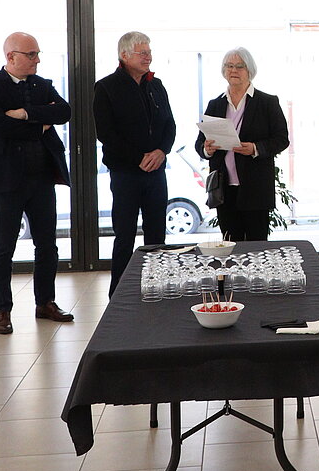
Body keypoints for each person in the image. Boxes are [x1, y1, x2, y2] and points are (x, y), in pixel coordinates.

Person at [0, 32, 74, 334]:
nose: (37, 60)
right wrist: (39, 125)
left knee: (47, 245)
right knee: (3, 247)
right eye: (31, 54)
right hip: (6, 179)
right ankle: (2, 310)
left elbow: (64, 112)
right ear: (11, 56)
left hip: (42, 176)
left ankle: (46, 302)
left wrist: (26, 114)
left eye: (37, 54)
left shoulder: (42, 86)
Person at [93, 32, 177, 296]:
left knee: (157, 236)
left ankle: (158, 288)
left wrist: (162, 151)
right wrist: (139, 157)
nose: (148, 57)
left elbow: (170, 125)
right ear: (124, 55)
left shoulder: (156, 85)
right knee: (125, 235)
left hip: (156, 172)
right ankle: (118, 294)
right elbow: (106, 134)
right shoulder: (106, 87)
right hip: (126, 173)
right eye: (142, 53)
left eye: (149, 52)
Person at [195, 48, 289, 242]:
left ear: (250, 70)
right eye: (229, 66)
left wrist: (255, 148)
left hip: (255, 188)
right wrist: (207, 149)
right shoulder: (215, 104)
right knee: (229, 246)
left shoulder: (267, 102)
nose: (233, 70)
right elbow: (199, 144)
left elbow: (282, 139)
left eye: (239, 66)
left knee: (256, 247)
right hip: (224, 190)